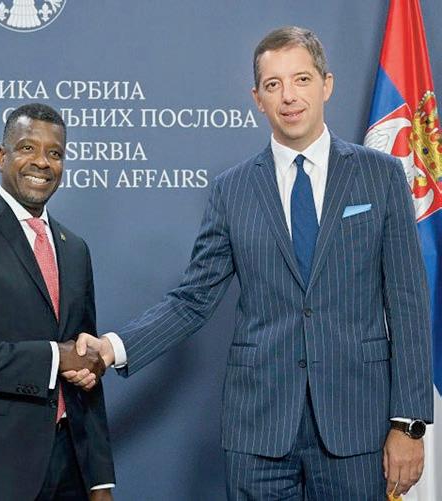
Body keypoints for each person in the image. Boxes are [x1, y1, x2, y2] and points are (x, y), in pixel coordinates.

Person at [69, 27, 433, 499]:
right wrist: (112, 347)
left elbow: (407, 302)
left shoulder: (380, 175)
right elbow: (193, 300)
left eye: (301, 79)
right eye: (273, 84)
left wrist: (408, 422)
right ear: (257, 98)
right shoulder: (233, 189)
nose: (289, 96)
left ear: (326, 85)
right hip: (259, 432)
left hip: (355, 425)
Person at [0, 103, 114, 500]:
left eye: (55, 153)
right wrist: (54, 358)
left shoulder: (75, 249)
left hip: (71, 470)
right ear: (1, 156)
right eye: (27, 148)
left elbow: (85, 361)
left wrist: (100, 479)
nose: (42, 162)